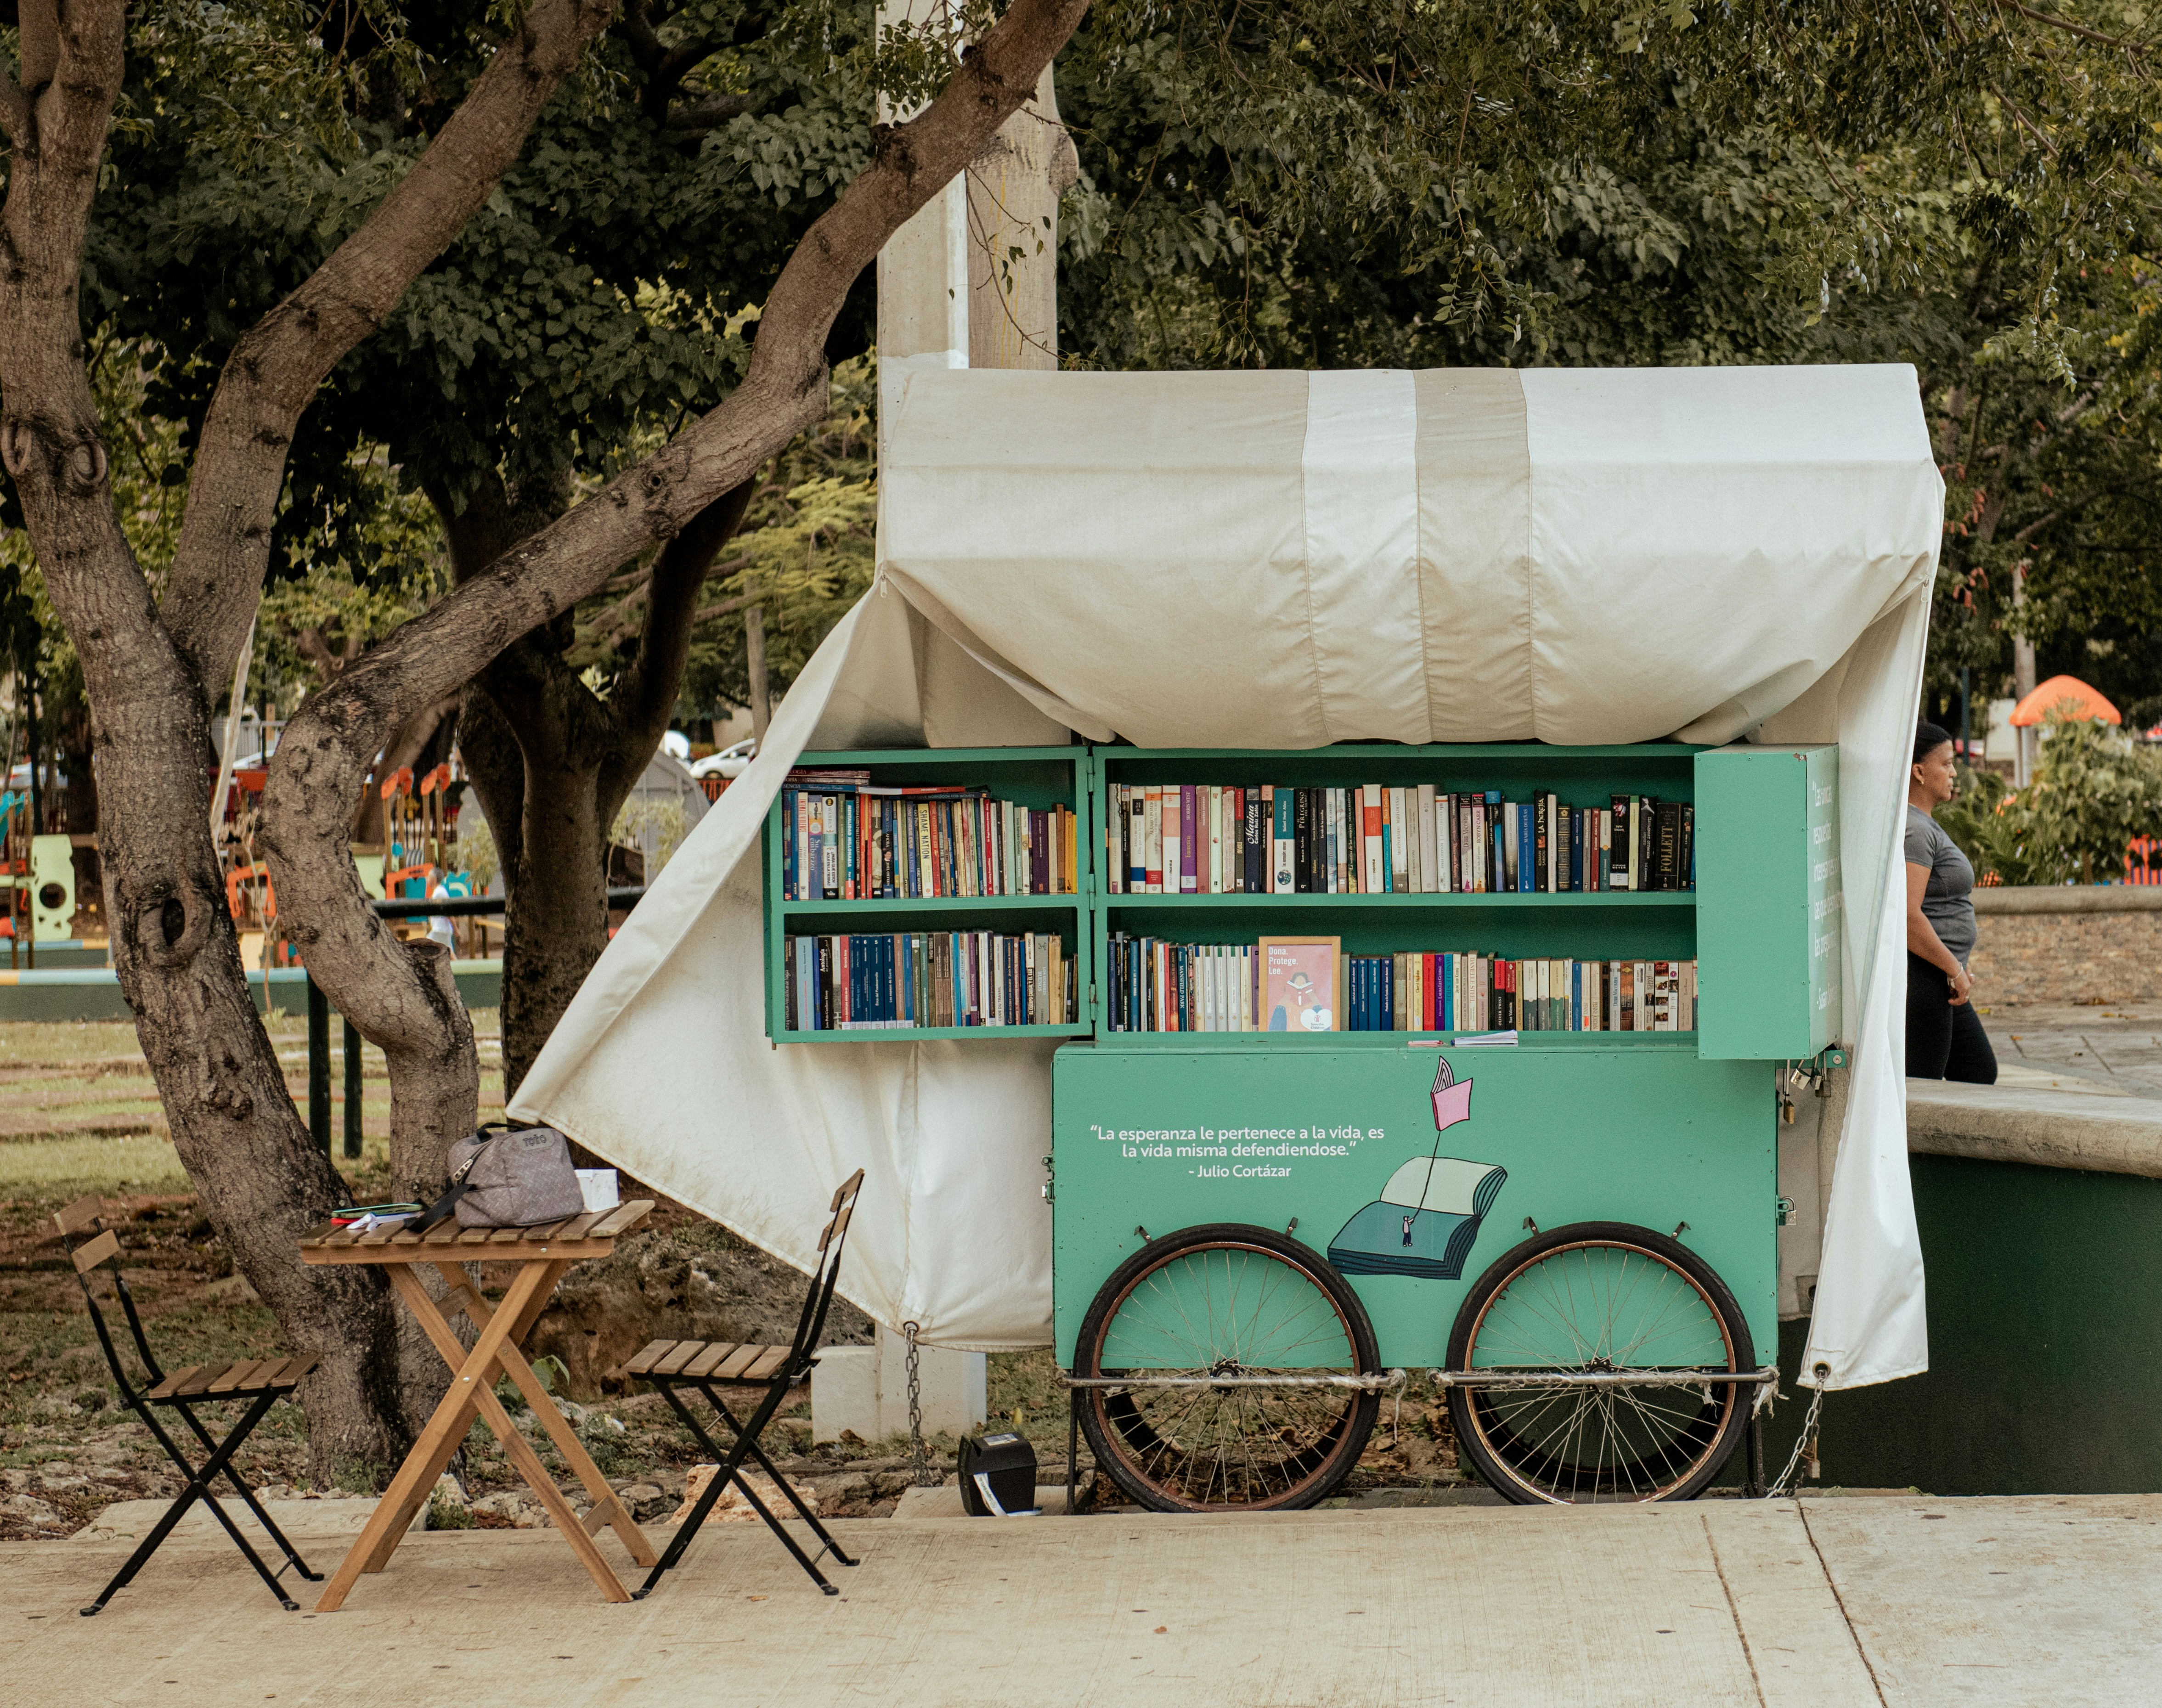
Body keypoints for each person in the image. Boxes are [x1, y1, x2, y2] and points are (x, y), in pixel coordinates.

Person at [1906, 722, 1996, 1082]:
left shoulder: (1924, 823)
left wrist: (1955, 966)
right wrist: (1953, 968)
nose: (1953, 772)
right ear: (1919, 771)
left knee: (1976, 1070)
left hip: (1941, 972)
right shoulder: (1914, 830)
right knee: (1923, 1086)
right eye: (1946, 763)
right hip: (1925, 976)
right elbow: (1909, 917)